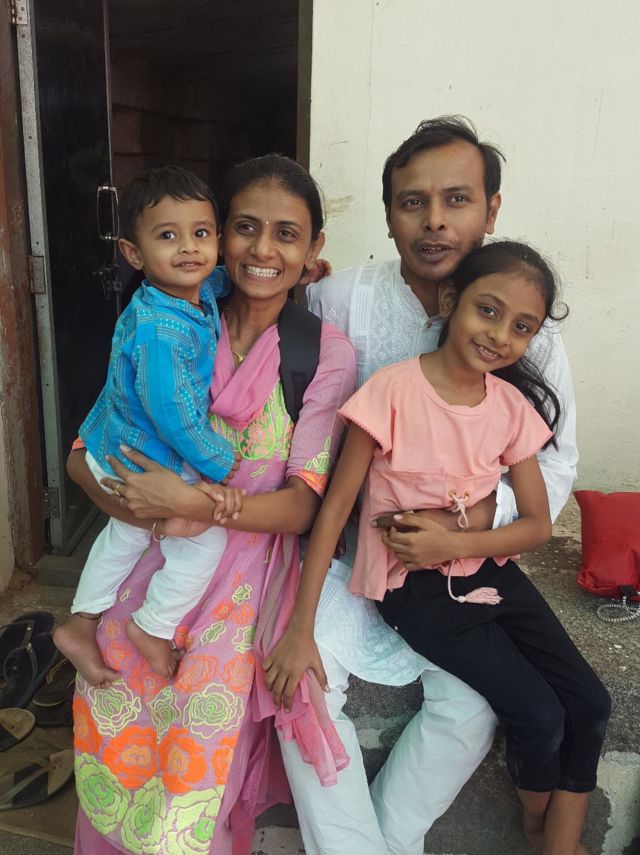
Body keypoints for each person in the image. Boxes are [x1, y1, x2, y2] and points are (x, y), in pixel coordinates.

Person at [265, 116, 580, 855]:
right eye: (413, 202)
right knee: (302, 684)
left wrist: (463, 525)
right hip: (346, 558)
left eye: (457, 199)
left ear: (491, 210)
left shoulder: (529, 331)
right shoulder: (338, 298)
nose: (435, 220)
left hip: (457, 573)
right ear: (388, 216)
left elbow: (555, 463)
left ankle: (391, 837)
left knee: (475, 702)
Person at [67, 154, 356, 855]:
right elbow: (82, 452)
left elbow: (302, 507)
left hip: (235, 603)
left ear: (313, 247)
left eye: (287, 234)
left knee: (197, 781)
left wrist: (192, 503)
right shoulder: (174, 315)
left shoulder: (321, 354)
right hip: (141, 582)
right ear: (221, 235)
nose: (264, 249)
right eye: (246, 228)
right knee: (115, 751)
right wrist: (142, 508)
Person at [55, 166, 243, 684]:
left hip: (114, 443)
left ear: (217, 240)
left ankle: (81, 622)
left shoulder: (190, 291)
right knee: (204, 542)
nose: (188, 248)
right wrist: (219, 463)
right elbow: (173, 414)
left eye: (200, 234)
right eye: (168, 236)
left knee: (123, 536)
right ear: (133, 253)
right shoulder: (162, 331)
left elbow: (217, 280)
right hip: (141, 458)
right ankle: (153, 626)